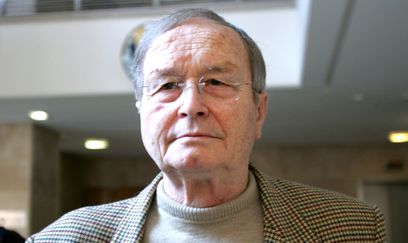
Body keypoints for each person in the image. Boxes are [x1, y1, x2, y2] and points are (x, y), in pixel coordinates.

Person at [27, 8, 385, 242]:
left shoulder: (354, 228)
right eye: (167, 85)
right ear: (142, 111)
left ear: (258, 111)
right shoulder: (62, 238)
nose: (191, 106)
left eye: (216, 82)